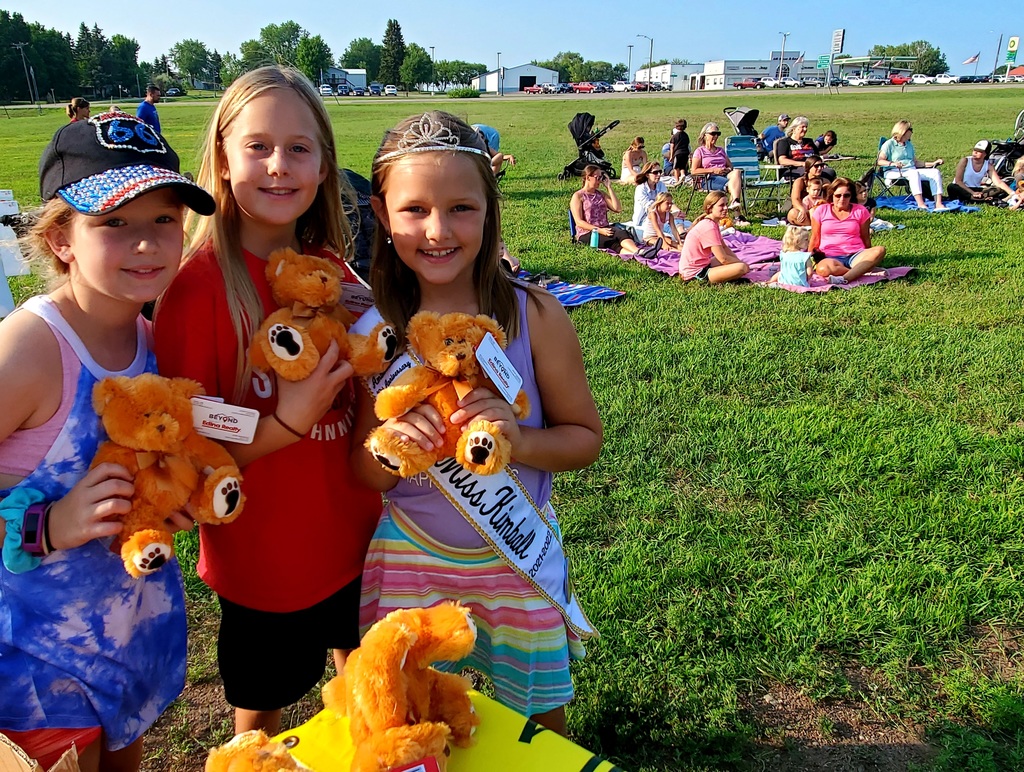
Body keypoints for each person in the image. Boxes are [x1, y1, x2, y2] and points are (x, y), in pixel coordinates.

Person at [353, 110, 603, 735]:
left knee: (541, 720)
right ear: (383, 216)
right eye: (414, 210)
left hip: (514, 557)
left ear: (489, 210)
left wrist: (519, 440)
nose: (438, 230)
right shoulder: (370, 331)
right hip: (408, 551)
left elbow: (584, 438)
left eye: (461, 207)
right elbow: (362, 473)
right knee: (406, 712)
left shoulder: (535, 316)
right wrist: (388, 451)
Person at [153, 66, 382, 737]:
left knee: (367, 691)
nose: (279, 166)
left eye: (299, 148)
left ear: (323, 167)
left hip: (357, 537)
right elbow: (192, 427)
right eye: (258, 146)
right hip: (264, 564)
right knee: (260, 718)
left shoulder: (332, 273)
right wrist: (285, 420)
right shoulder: (196, 290)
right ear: (223, 157)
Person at [0, 111, 215, 771]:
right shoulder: (31, 349)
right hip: (39, 672)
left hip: (127, 645)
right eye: (113, 224)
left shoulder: (155, 342)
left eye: (162, 221)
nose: (146, 244)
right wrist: (45, 523)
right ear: (62, 237)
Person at [809, 176, 887, 284]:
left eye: (846, 195)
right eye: (838, 195)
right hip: (830, 256)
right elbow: (815, 237)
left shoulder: (861, 211)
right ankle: (859, 272)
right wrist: (807, 260)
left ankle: (844, 278)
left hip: (856, 254)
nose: (842, 199)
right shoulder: (821, 211)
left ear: (851, 196)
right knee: (823, 269)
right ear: (832, 195)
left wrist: (870, 257)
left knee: (880, 250)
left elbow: (865, 237)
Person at [570, 164, 659, 256]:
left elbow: (617, 208)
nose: (600, 181)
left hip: (605, 228)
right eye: (598, 177)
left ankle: (639, 252)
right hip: (588, 233)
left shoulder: (601, 194)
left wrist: (609, 187)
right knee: (611, 241)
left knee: (622, 233)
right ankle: (639, 253)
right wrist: (599, 230)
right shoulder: (578, 196)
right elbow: (579, 222)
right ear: (588, 177)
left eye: (601, 177)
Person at [677, 191, 749, 283]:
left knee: (739, 264)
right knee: (741, 268)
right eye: (721, 205)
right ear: (710, 208)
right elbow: (723, 259)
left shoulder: (712, 223)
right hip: (695, 273)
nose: (726, 208)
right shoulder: (709, 227)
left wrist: (738, 261)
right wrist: (742, 265)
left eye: (726, 204)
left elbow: (724, 247)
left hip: (703, 264)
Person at [877, 120, 948, 211]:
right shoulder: (889, 144)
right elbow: (879, 161)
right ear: (904, 130)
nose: (912, 132)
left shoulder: (909, 144)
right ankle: (920, 204)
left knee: (935, 172)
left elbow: (915, 163)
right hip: (893, 171)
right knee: (913, 173)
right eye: (911, 129)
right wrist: (893, 163)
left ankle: (938, 203)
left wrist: (933, 163)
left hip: (911, 169)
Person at [690, 122, 743, 210]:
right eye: (713, 133)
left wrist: (727, 169)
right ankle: (737, 215)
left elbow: (731, 166)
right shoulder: (700, 151)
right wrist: (713, 170)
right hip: (709, 178)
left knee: (736, 172)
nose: (716, 136)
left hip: (724, 174)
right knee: (734, 185)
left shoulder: (720, 150)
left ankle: (735, 202)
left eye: (718, 134)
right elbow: (694, 171)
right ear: (705, 135)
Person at [946, 140, 1016, 205]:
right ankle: (980, 200)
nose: (975, 153)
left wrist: (1013, 193)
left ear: (985, 154)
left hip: (976, 189)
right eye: (974, 150)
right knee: (951, 187)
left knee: (998, 189)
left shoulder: (988, 165)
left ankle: (974, 199)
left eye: (979, 151)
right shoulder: (965, 161)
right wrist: (972, 193)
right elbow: (958, 181)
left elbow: (998, 183)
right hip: (962, 188)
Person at [775, 117, 826, 181]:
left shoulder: (809, 141)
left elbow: (817, 157)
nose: (805, 129)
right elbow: (782, 160)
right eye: (802, 127)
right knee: (815, 174)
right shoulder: (785, 142)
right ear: (794, 129)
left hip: (813, 167)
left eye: (806, 127)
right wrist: (803, 164)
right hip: (793, 169)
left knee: (830, 172)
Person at [787, 155, 828, 225]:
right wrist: (802, 210)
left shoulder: (825, 181)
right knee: (792, 213)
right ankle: (813, 225)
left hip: (819, 211)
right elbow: (795, 199)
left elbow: (828, 199)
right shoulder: (800, 181)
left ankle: (814, 225)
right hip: (803, 210)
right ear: (809, 167)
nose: (820, 168)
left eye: (822, 166)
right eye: (816, 166)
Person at [632, 161, 668, 230]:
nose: (659, 174)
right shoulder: (641, 189)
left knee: (677, 221)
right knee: (665, 226)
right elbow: (649, 208)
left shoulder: (661, 185)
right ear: (647, 175)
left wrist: (677, 211)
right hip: (644, 219)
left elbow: (667, 201)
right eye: (655, 173)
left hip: (661, 215)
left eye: (660, 172)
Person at [669, 119, 690, 185]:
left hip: (677, 154)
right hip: (685, 153)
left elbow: (672, 147)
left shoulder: (674, 136)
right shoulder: (686, 135)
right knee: (682, 167)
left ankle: (677, 181)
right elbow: (687, 144)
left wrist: (671, 156)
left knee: (676, 168)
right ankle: (683, 175)